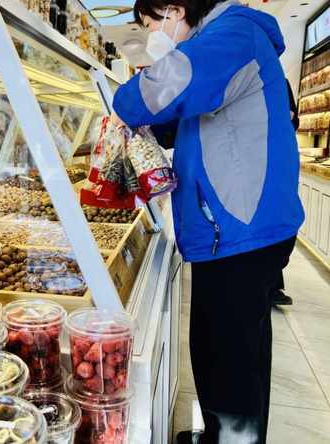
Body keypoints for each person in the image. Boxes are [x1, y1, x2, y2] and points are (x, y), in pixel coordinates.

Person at [111, 1, 304, 443]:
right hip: (242, 230)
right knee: (237, 353)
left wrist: (123, 102)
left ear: (174, 10)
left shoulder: (232, 35)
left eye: (151, 24)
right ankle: (225, 435)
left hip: (241, 231)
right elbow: (185, 117)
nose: (153, 35)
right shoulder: (226, 40)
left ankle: (232, 437)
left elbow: (162, 88)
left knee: (227, 361)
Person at [271, 79, 300, 307]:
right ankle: (271, 284)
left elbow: (294, 119)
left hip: (276, 161)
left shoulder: (280, 83)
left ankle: (272, 283)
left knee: (279, 222)